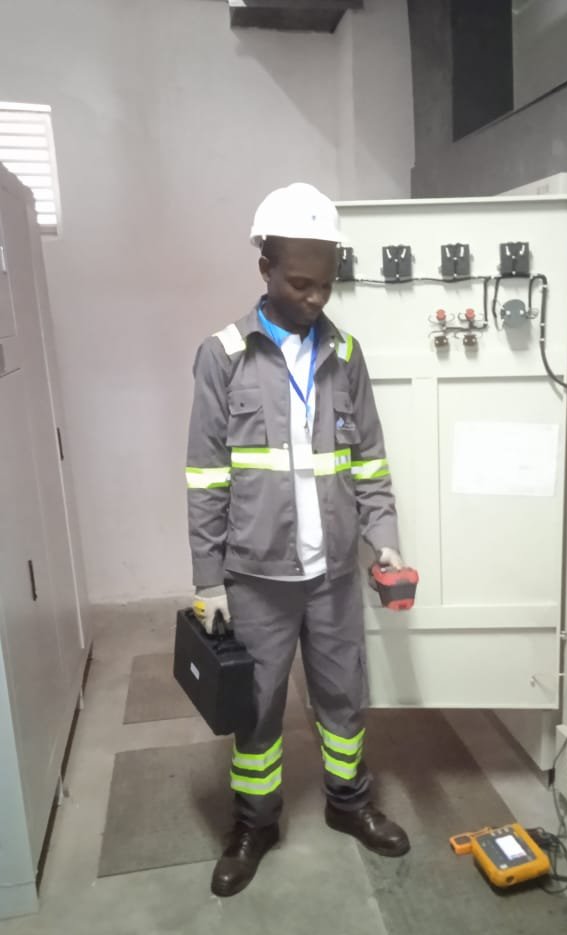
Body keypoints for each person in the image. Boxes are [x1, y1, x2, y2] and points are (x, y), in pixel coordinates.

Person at [185, 182, 410, 897]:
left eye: (326, 283)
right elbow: (205, 478)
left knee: (344, 697)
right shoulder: (223, 356)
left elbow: (370, 460)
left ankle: (349, 803)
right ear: (266, 269)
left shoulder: (346, 353)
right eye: (300, 282)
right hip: (256, 577)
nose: (315, 298)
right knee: (256, 709)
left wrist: (385, 538)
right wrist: (209, 580)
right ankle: (255, 824)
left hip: (334, 573)